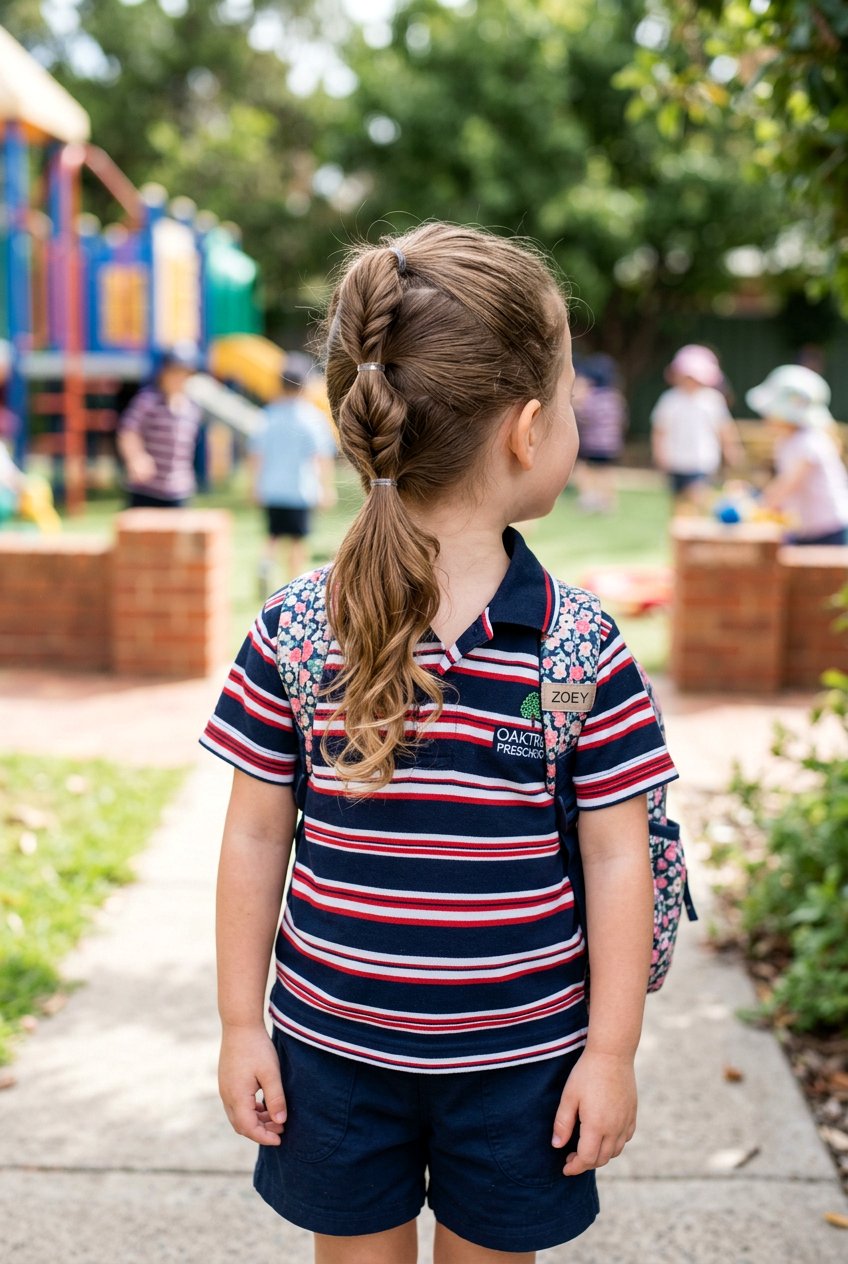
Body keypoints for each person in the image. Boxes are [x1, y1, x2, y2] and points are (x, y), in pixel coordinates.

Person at [201, 224, 677, 1264]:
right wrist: (245, 1025)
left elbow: (616, 855)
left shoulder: (577, 647)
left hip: (525, 1070)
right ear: (529, 427)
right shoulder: (296, 633)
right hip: (330, 1058)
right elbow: (253, 839)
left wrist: (609, 1049)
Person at [251, 356, 337, 593]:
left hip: (272, 488)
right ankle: (294, 584)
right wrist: (327, 488)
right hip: (301, 489)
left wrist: (255, 486)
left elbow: (256, 454)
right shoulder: (312, 418)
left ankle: (265, 565)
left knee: (273, 535)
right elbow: (321, 457)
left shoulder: (267, 415)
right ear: (305, 386)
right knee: (299, 541)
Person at [747, 364, 848, 545]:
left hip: (831, 530)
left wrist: (754, 506)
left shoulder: (810, 443)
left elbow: (788, 485)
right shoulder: (787, 441)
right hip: (809, 529)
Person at [650, 343, 743, 509]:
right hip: (675, 459)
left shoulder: (712, 400)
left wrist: (731, 451)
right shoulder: (670, 399)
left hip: (702, 460)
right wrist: (659, 454)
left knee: (698, 500)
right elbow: (660, 430)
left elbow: (724, 428)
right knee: (678, 503)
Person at [116, 348, 202, 508]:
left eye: (184, 374)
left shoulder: (191, 408)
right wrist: (136, 457)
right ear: (163, 374)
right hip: (147, 488)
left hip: (179, 489)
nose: (179, 379)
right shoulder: (148, 401)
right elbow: (128, 431)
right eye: (174, 373)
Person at [572, 353, 627, 513]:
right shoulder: (615, 397)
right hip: (611, 444)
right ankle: (608, 501)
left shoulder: (591, 397)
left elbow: (584, 415)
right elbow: (621, 418)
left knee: (584, 469)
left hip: (592, 443)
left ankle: (588, 497)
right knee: (606, 471)